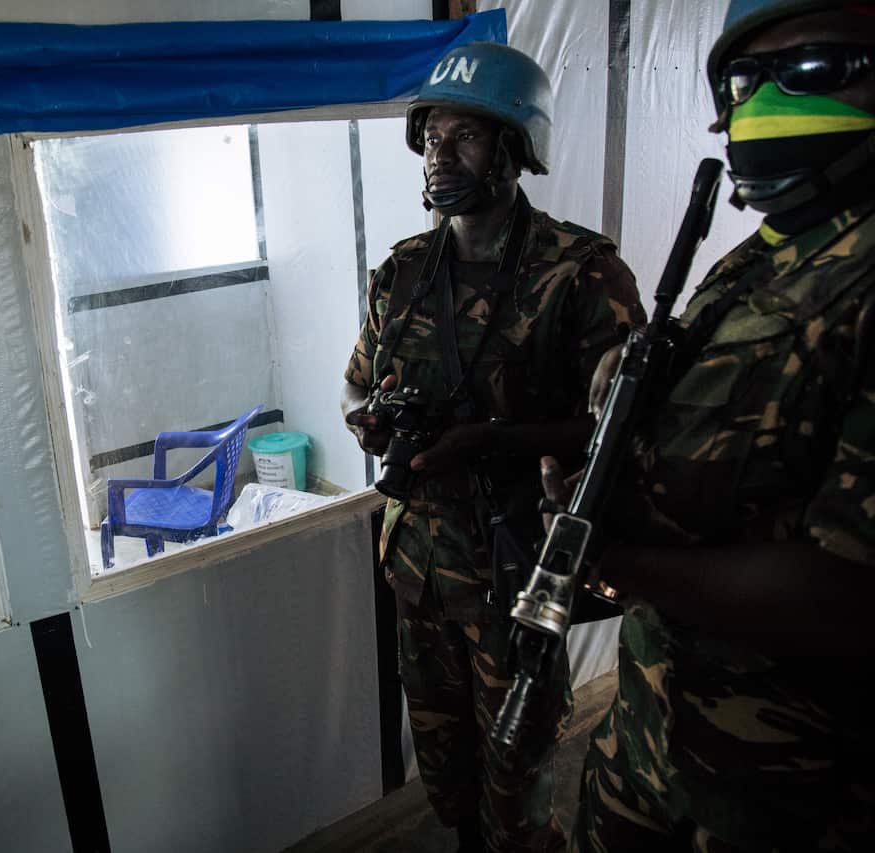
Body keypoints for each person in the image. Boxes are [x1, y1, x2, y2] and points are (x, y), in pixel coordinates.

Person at [540, 2, 875, 849]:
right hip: (656, 727)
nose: (765, 104)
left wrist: (618, 560)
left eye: (810, 70)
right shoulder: (760, 253)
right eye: (742, 78)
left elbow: (852, 598)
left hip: (792, 787)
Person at [341, 42, 644, 852]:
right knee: (449, 780)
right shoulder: (402, 272)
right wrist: (368, 417)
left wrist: (494, 440)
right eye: (432, 135)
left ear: (515, 149)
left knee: (516, 786)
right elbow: (355, 387)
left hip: (516, 575)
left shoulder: (580, 273)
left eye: (466, 136)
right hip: (418, 574)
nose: (442, 153)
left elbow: (630, 426)